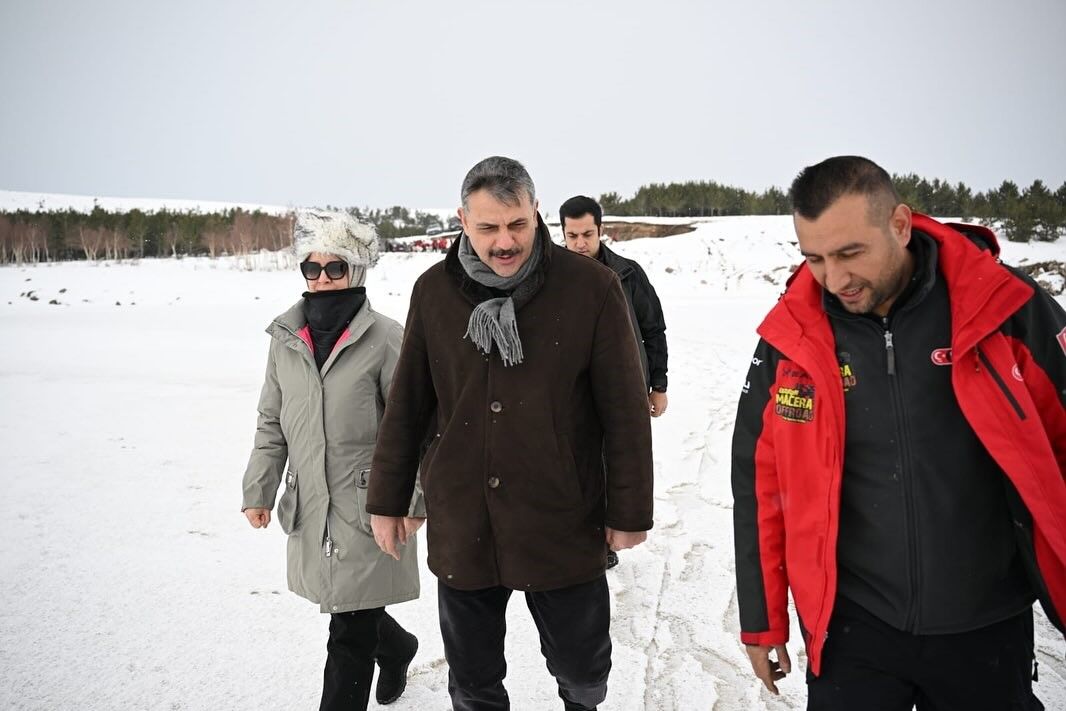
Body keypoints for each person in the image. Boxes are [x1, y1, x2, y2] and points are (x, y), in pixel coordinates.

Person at [731, 156, 1066, 709]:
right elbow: (759, 483)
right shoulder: (793, 336)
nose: (834, 279)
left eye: (850, 253)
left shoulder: (1002, 307)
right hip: (852, 628)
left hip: (985, 624)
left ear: (901, 225)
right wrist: (762, 619)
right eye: (814, 258)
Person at [366, 156, 654, 711]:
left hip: (561, 513)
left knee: (582, 669)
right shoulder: (434, 291)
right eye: (488, 227)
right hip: (463, 514)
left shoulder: (590, 288)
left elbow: (623, 411)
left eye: (518, 224)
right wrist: (387, 498)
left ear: (536, 211)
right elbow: (408, 403)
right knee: (472, 679)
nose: (505, 242)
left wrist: (629, 511)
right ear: (462, 221)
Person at [241, 209, 424, 711]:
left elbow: (415, 427)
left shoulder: (387, 338)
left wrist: (414, 501)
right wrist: (259, 489)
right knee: (350, 607)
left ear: (356, 270)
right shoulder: (285, 340)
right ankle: (398, 647)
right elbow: (271, 421)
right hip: (312, 503)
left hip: (371, 507)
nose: (322, 278)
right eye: (312, 267)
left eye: (335, 267)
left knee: (348, 634)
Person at [560, 194, 669, 569]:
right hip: (570, 392)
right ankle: (577, 537)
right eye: (572, 236)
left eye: (587, 234)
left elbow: (653, 329)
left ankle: (606, 540)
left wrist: (658, 385)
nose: (580, 243)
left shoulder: (628, 274)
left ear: (600, 230)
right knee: (574, 465)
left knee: (616, 465)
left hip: (622, 390)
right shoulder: (552, 278)